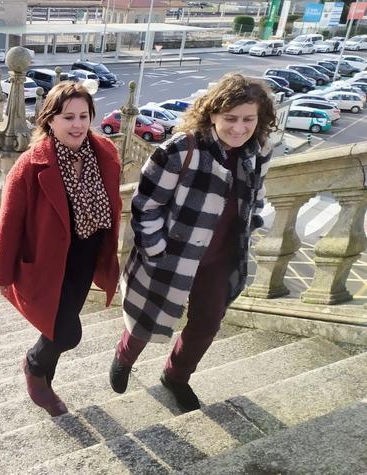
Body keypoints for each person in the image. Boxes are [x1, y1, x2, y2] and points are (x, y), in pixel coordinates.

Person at [109, 73, 276, 412]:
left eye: (248, 119)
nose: (239, 128)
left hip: (220, 258)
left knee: (207, 324)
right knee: (147, 317)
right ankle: (124, 357)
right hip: (172, 256)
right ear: (212, 113)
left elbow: (256, 195)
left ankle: (176, 375)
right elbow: (145, 205)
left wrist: (254, 220)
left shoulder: (256, 151)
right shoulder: (182, 149)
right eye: (230, 118)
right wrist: (157, 251)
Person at [0, 82, 122, 417]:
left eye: (84, 116)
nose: (78, 124)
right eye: (68, 117)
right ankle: (35, 367)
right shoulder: (31, 164)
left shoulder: (103, 151)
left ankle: (47, 380)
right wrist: (2, 273)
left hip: (86, 257)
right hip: (49, 262)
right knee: (66, 332)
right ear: (50, 120)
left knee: (59, 326)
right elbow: (9, 220)